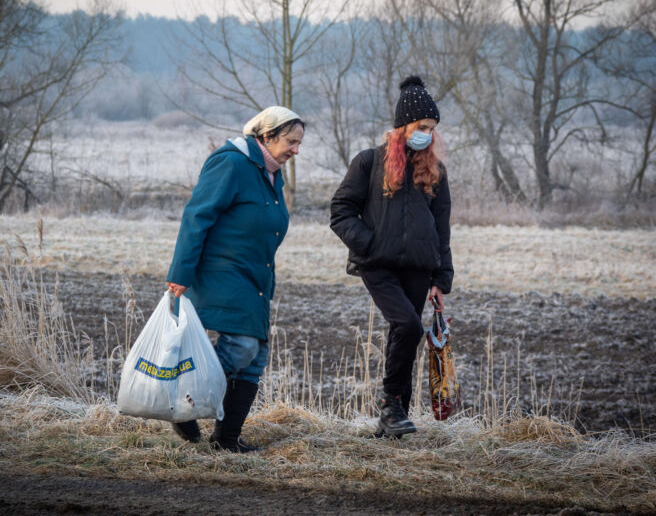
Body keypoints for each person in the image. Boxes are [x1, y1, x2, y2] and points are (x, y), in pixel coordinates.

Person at [166, 106, 304, 452]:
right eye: (290, 141)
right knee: (242, 345)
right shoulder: (231, 162)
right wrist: (180, 273)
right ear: (266, 136)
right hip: (223, 271)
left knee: (255, 356)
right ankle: (184, 404)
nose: (296, 150)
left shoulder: (270, 173)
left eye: (299, 143)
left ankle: (226, 440)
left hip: (255, 277)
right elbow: (196, 216)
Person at [329, 75, 453, 438]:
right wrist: (368, 243)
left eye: (431, 128)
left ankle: (395, 421)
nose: (427, 134)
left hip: (419, 267)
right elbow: (340, 211)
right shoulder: (369, 163)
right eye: (421, 126)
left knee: (406, 336)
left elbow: (442, 229)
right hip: (377, 265)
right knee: (409, 325)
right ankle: (390, 407)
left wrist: (440, 280)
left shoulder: (435, 172)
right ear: (403, 126)